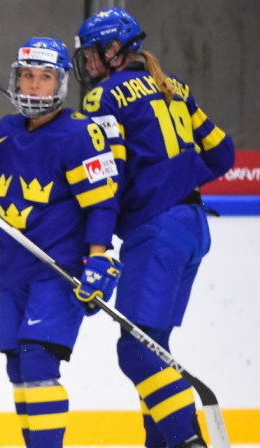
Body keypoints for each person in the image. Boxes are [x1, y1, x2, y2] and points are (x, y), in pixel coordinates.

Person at [0, 37, 122, 447]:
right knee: (18, 369)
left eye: (44, 77)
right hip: (12, 272)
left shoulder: (79, 134)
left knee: (39, 362)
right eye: (28, 76)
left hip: (58, 271)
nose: (34, 85)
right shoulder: (3, 132)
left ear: (60, 83)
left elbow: (102, 205)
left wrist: (98, 258)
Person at [73, 8, 235, 448]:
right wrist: (176, 176)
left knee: (136, 350)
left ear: (113, 51)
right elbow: (223, 155)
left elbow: (108, 182)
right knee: (155, 345)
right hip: (193, 228)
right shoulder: (174, 86)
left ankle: (188, 442)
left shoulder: (102, 97)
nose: (87, 65)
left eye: (91, 55)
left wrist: (99, 247)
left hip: (156, 232)